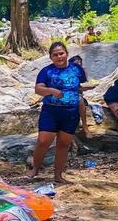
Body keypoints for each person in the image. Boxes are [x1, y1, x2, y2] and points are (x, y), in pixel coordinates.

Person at [28, 42, 86, 183]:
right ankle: (35, 169)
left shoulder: (77, 69)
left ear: (66, 53)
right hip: (51, 110)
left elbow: (81, 86)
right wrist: (51, 91)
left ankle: (58, 175)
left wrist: (87, 88)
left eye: (61, 53)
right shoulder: (46, 71)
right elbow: (38, 89)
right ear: (51, 57)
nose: (59, 57)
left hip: (71, 111)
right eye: (55, 55)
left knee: (64, 144)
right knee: (43, 141)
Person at [69, 55, 92, 136]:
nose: (79, 63)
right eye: (76, 62)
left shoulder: (81, 71)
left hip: (77, 94)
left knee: (80, 100)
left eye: (80, 62)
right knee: (79, 100)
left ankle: (85, 126)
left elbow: (84, 84)